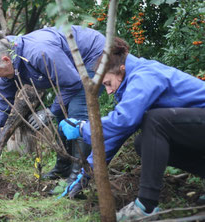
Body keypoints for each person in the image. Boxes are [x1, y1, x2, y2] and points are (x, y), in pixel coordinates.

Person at [59, 37, 205, 221]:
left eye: (108, 84)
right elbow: (119, 132)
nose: (109, 91)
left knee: (155, 120)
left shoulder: (144, 75)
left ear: (122, 70)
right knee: (142, 143)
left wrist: (83, 128)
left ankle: (146, 206)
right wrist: (87, 172)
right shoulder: (131, 83)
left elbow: (124, 120)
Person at [0, 25, 105, 185]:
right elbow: (2, 100)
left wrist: (50, 111)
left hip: (93, 56)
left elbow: (72, 83)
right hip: (72, 71)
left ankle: (79, 177)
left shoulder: (38, 52)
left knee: (77, 113)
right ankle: (64, 167)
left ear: (6, 60)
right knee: (61, 114)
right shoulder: (12, 60)